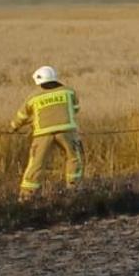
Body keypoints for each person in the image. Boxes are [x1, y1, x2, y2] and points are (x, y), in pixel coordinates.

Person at [9, 66, 83, 201]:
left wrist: (13, 127)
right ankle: (74, 189)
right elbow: (76, 109)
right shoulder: (69, 92)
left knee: (36, 164)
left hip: (43, 135)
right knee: (73, 159)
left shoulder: (33, 97)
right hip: (67, 131)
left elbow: (21, 116)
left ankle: (26, 195)